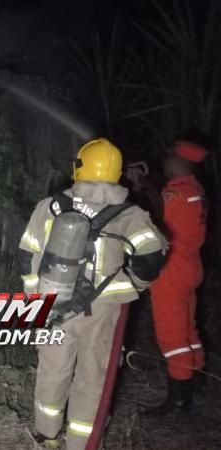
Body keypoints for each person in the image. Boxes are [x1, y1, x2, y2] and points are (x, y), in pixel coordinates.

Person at [18, 138, 166, 449]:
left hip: (52, 306)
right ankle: (80, 443)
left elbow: (26, 255)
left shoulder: (50, 206)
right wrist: (128, 288)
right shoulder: (130, 214)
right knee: (92, 377)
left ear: (79, 169)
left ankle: (46, 437)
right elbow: (152, 259)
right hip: (103, 311)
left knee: (52, 372)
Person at [127, 140, 209, 416]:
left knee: (172, 338)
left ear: (179, 161)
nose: (165, 162)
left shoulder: (178, 194)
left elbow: (156, 215)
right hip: (190, 266)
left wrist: (140, 187)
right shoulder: (193, 189)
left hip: (172, 270)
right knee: (188, 331)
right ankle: (195, 381)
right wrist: (148, 181)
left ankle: (179, 401)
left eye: (168, 157)